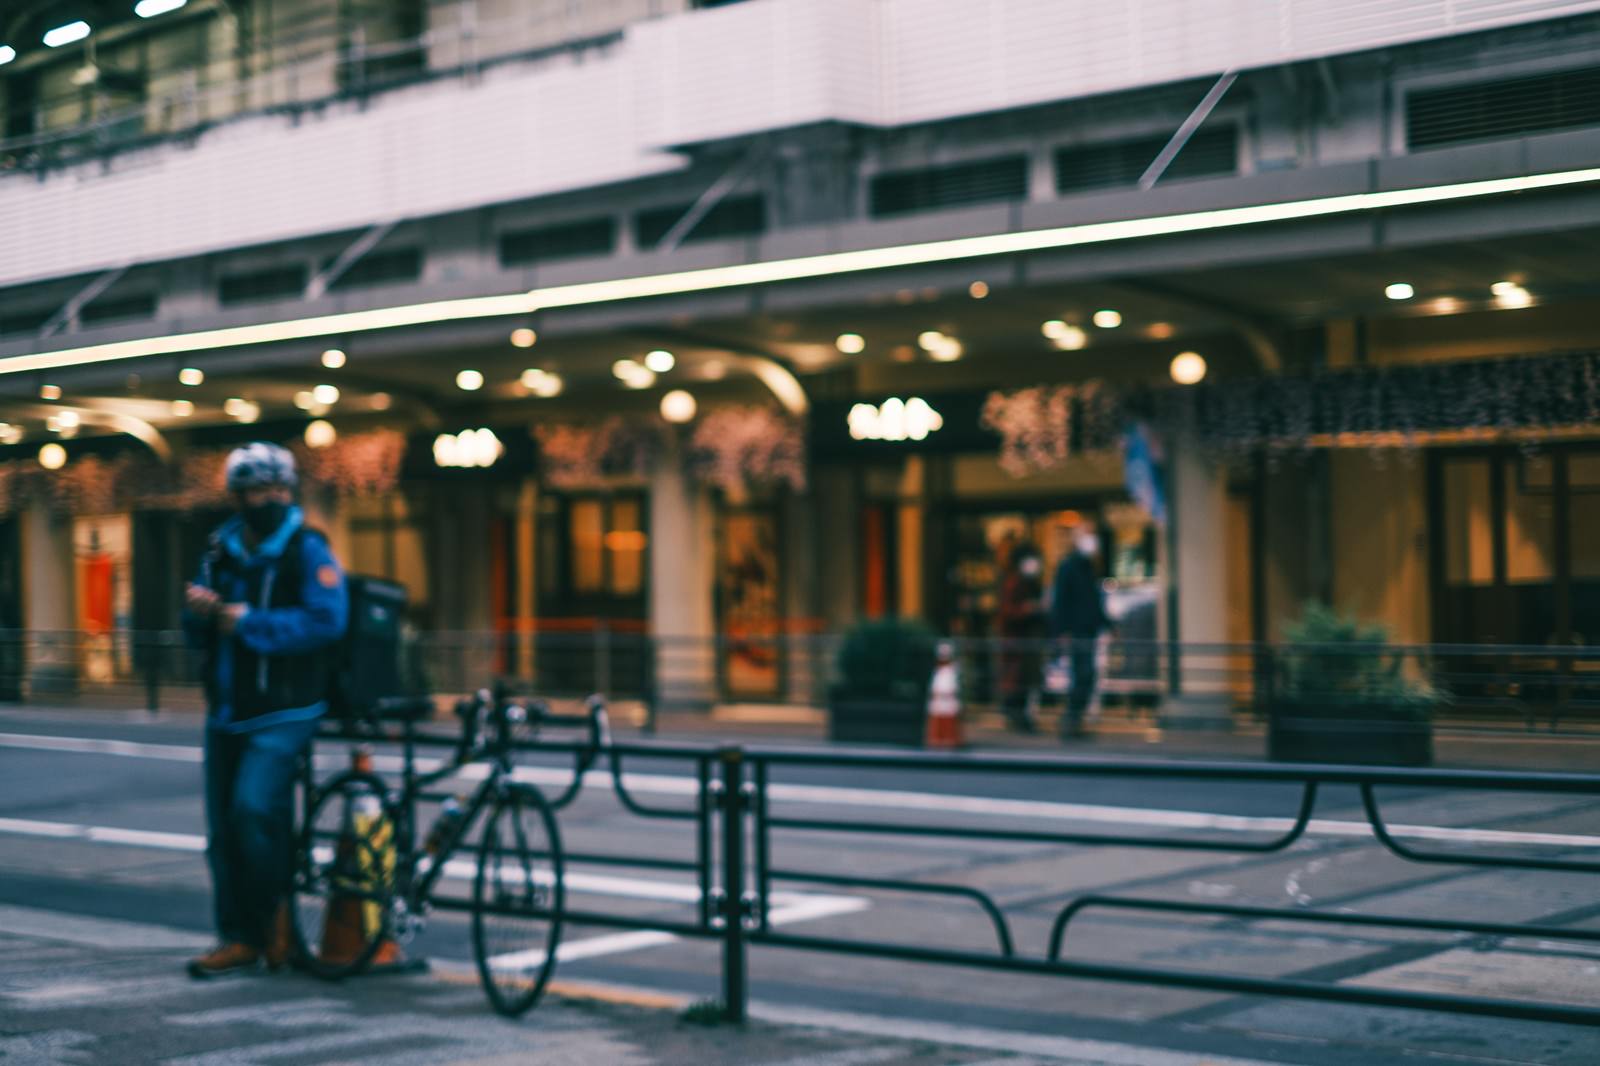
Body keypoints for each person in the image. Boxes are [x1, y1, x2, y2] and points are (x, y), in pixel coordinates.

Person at [184, 442, 348, 978]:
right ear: (236, 495)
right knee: (222, 832)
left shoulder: (307, 548)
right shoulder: (218, 550)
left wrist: (250, 623)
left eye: (274, 489)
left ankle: (278, 928)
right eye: (254, 490)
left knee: (254, 811)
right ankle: (239, 937)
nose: (265, 499)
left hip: (288, 706)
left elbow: (328, 620)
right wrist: (202, 614)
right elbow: (194, 632)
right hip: (227, 709)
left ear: (288, 491)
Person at [1049, 526, 1111, 739]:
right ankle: (1071, 722)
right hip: (1077, 630)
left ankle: (1074, 721)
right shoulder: (1069, 566)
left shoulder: (1087, 567)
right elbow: (1060, 600)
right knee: (1082, 674)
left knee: (1087, 675)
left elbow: (1093, 601)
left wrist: (1106, 624)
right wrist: (1061, 630)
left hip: (1088, 630)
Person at [996, 542, 1047, 733]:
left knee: (1022, 681)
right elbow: (1007, 611)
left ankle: (1020, 717)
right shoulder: (1014, 582)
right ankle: (1017, 717)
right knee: (1016, 680)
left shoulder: (1027, 582)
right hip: (1016, 641)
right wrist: (1028, 609)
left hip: (1023, 640)